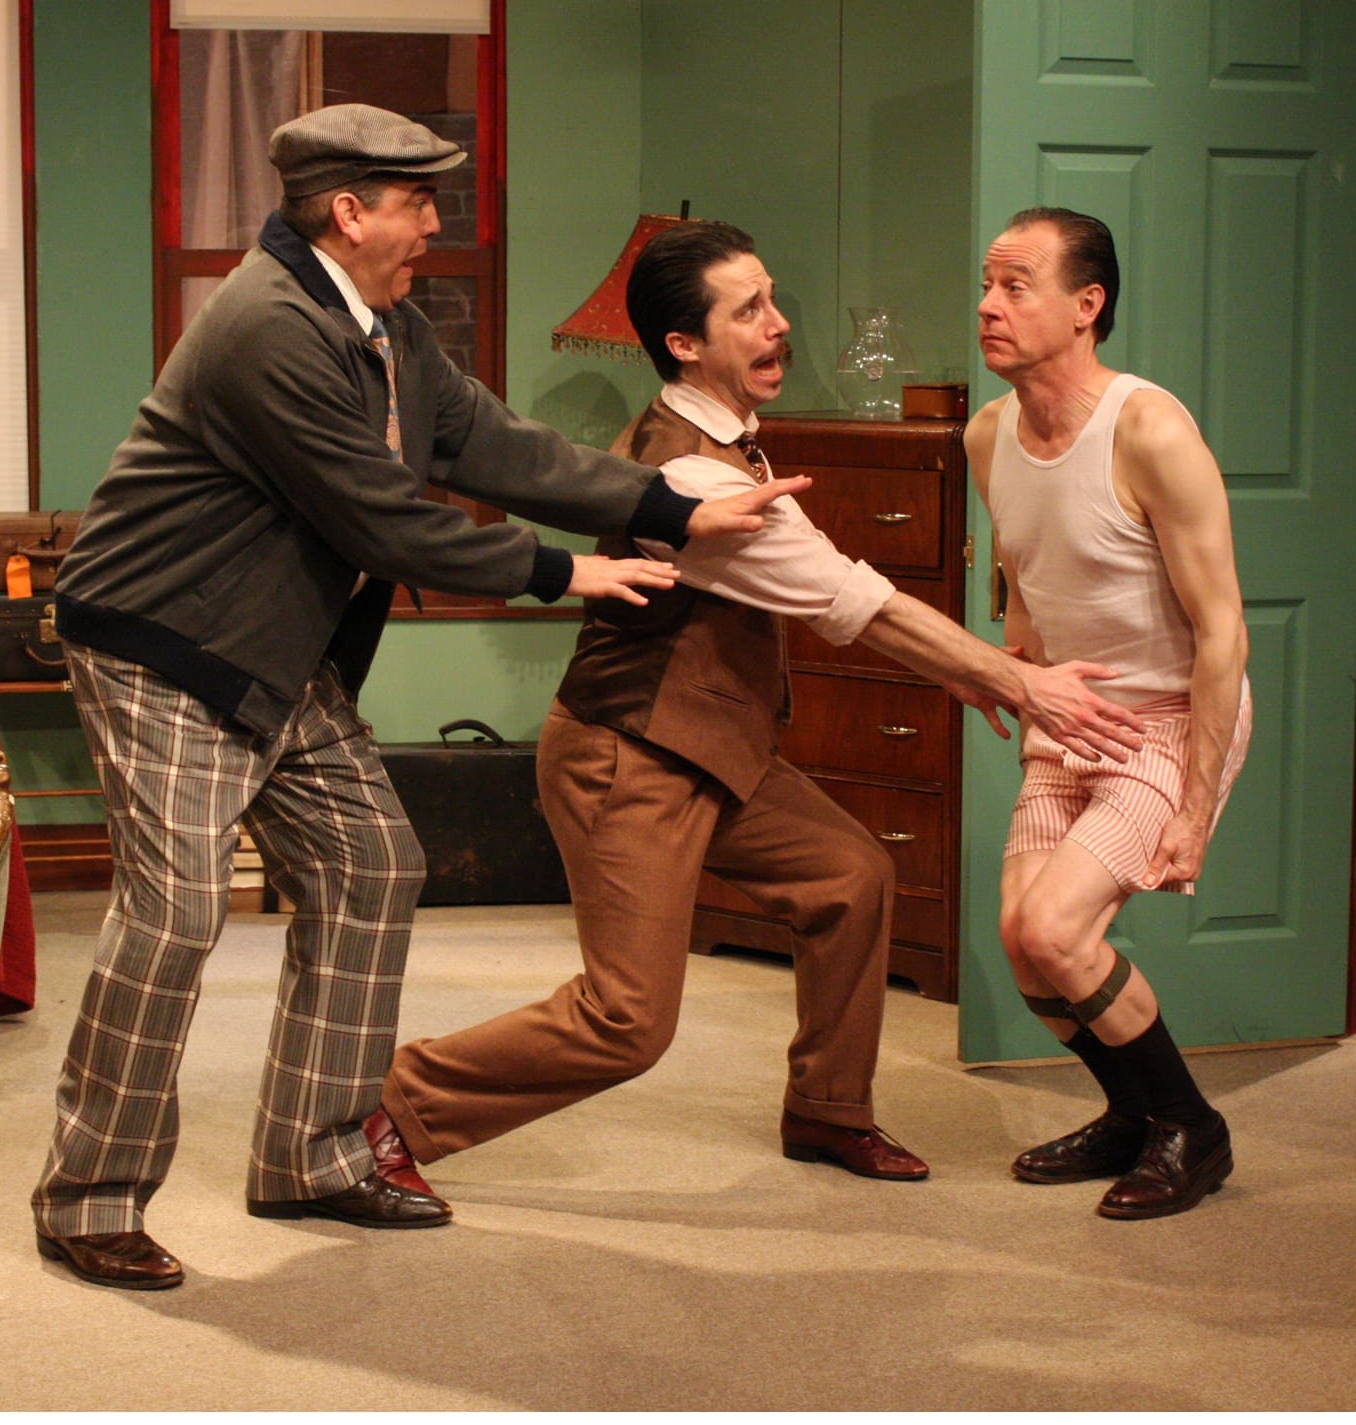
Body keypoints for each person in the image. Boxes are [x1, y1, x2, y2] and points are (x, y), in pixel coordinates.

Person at [31, 107, 794, 1291]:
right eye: (418, 201)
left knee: (372, 863)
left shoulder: (382, 323)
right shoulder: (266, 327)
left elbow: (491, 442)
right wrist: (564, 570)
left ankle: (313, 1153)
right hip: (167, 645)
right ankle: (88, 1195)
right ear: (349, 211)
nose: (436, 223)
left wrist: (667, 506)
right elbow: (377, 518)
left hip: (278, 651)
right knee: (176, 912)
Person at [366, 221, 1145, 1204]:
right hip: (626, 754)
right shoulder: (688, 472)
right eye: (749, 311)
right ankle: (391, 1109)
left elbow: (827, 575)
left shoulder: (734, 443)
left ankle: (828, 1108)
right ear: (684, 344)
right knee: (626, 1020)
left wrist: (967, 672)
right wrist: (1017, 680)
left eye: (773, 300)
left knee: (849, 878)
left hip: (711, 747)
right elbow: (847, 596)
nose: (780, 324)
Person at [968, 206, 1252, 1220]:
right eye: (987, 285)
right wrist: (1006, 668)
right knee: (1022, 938)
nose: (989, 305)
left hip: (1169, 718)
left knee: (1057, 927)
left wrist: (1196, 807)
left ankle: (1192, 1127)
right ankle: (1131, 1114)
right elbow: (1026, 582)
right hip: (1071, 717)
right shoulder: (987, 433)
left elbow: (1222, 630)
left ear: (1087, 305)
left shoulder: (1148, 429)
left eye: (1015, 286)